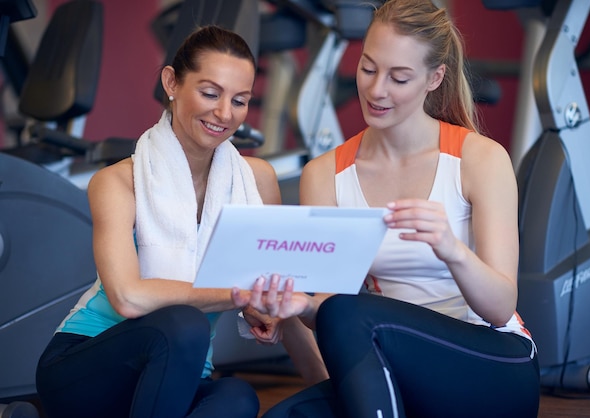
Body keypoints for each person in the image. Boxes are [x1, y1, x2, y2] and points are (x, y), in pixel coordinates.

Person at [232, 0, 541, 417]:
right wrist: (299, 307)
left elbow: (502, 305)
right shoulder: (326, 174)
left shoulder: (480, 159)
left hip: (493, 364)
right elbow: (331, 309)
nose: (377, 90)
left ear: (434, 78)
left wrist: (453, 249)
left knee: (350, 313)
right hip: (394, 367)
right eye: (368, 68)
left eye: (399, 78)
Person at [35, 25, 324, 418]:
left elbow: (276, 294)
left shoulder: (255, 181)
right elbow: (127, 297)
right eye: (210, 93)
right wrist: (239, 295)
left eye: (240, 100)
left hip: (179, 374)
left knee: (238, 399)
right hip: (84, 366)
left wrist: (333, 391)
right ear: (171, 82)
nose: (224, 113)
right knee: (185, 324)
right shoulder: (118, 181)